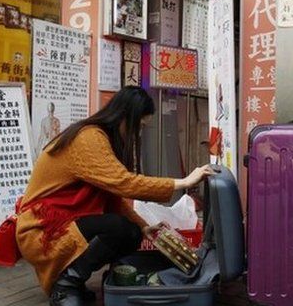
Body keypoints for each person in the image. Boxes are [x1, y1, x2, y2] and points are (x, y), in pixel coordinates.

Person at [16, 87, 216, 306]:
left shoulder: (99, 137)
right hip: (41, 229)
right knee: (118, 228)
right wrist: (184, 182)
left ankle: (73, 278)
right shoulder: (89, 137)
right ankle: (65, 285)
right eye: (139, 125)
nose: (138, 133)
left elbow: (112, 196)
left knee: (130, 233)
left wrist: (142, 227)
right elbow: (123, 183)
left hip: (63, 221)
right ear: (125, 116)